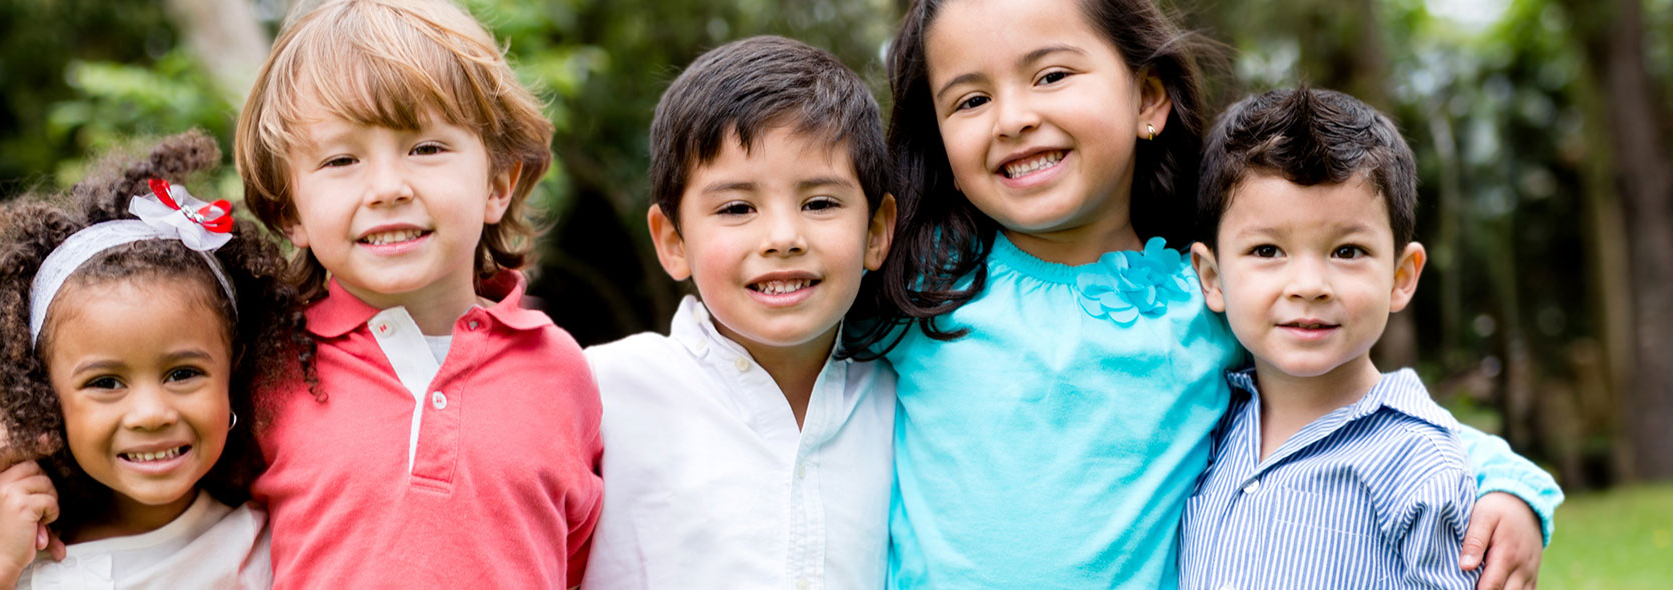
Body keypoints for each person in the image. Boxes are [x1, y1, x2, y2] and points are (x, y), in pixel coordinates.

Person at [853, 0, 1564, 587]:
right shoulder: (922, 281)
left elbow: (1360, 407)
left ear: (1148, 99)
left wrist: (1505, 479)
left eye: (1051, 76)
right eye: (971, 99)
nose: (1011, 117)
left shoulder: (1209, 296)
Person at [231, 0, 603, 586]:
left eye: (425, 148)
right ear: (289, 210)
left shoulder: (563, 374)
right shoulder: (263, 373)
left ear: (498, 184)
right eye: (341, 159)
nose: (386, 188)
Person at [582, 36, 898, 590]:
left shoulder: (910, 401)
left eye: (820, 203)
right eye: (737, 208)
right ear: (673, 241)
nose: (782, 237)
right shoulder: (597, 392)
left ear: (876, 232)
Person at [0, 132, 299, 589]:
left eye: (183, 373)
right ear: (45, 394)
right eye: (105, 383)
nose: (151, 414)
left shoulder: (257, 549)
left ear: (232, 373)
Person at [1180, 86, 1479, 589]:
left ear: (1401, 276)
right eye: (1268, 250)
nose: (1309, 287)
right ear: (1212, 278)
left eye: (1346, 251)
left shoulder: (1419, 465)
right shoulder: (1202, 427)